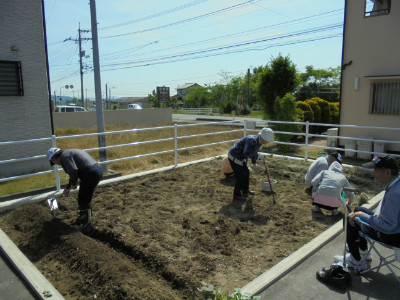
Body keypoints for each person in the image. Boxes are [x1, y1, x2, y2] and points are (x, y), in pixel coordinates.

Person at [334, 156, 400, 270]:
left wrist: (362, 216)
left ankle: (356, 261)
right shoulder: (396, 184)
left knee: (349, 218)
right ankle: (363, 252)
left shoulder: (394, 194)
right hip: (395, 228)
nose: (373, 173)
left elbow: (388, 226)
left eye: (376, 170)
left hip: (391, 235)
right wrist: (363, 214)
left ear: (388, 172)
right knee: (359, 208)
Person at [46, 147, 103, 233]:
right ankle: (88, 215)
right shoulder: (68, 153)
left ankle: (85, 226)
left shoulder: (64, 157)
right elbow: (73, 172)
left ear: (54, 158)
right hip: (96, 170)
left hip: (90, 173)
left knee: (82, 199)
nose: (56, 164)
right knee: (86, 196)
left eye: (53, 162)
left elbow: (73, 170)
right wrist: (68, 187)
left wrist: (73, 183)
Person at [228, 127, 274, 201]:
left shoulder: (259, 142)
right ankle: (237, 195)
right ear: (264, 137)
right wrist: (258, 156)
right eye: (268, 140)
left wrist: (254, 163)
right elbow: (246, 153)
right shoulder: (251, 140)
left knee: (246, 173)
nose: (268, 142)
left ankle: (245, 190)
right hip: (234, 156)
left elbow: (253, 151)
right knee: (240, 176)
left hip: (241, 157)